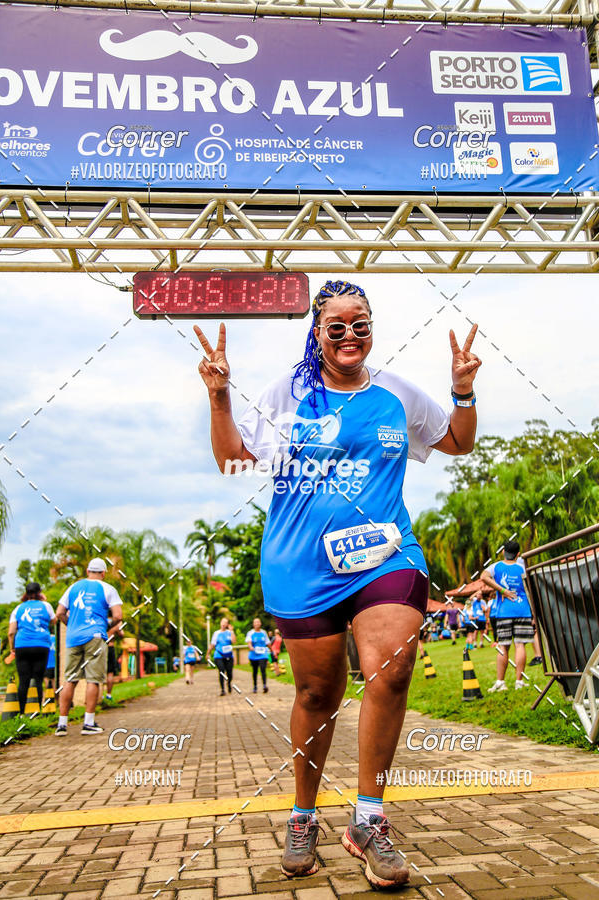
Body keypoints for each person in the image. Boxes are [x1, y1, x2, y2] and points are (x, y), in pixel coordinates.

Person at [195, 279, 480, 887]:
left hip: (385, 551)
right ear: (317, 333)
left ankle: (369, 819)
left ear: (372, 330)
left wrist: (463, 392)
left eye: (362, 323)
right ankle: (304, 814)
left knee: (391, 665)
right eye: (337, 325)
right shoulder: (290, 394)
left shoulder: (396, 393)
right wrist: (219, 397)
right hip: (301, 564)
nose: (350, 334)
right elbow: (231, 458)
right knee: (318, 694)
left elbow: (456, 441)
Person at [55, 558, 122, 735]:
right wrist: (105, 626)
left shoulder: (72, 588)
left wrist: (71, 625)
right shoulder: (108, 588)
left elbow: (59, 613)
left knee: (70, 678)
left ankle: (62, 725)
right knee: (93, 679)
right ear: (104, 573)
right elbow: (118, 616)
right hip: (95, 636)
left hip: (73, 638)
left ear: (87, 571)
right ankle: (88, 723)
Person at [481, 540, 534, 692]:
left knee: (503, 646)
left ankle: (500, 682)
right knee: (520, 645)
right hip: (523, 609)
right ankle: (519, 681)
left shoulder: (496, 566)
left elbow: (483, 577)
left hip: (504, 611)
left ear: (503, 551)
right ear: (518, 554)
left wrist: (502, 590)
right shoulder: (522, 567)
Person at [8, 583, 56, 715]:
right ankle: (36, 711)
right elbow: (54, 621)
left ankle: (21, 714)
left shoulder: (18, 608)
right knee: (38, 679)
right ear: (40, 592)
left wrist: (13, 648)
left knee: (23, 680)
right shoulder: (46, 606)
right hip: (41, 645)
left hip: (22, 646)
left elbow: (11, 632)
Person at [210, 617, 236, 694]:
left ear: (227, 624)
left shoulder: (229, 632)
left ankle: (228, 683)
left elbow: (234, 641)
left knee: (229, 673)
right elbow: (212, 644)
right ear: (220, 623)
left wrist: (232, 631)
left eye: (225, 622)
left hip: (229, 656)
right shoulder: (216, 633)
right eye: (222, 622)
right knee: (221, 671)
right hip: (219, 655)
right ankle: (222, 689)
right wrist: (208, 653)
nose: (223, 624)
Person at [246, 617, 271, 693]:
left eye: (258, 622)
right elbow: (249, 643)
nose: (257, 623)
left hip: (263, 654)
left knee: (263, 669)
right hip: (254, 655)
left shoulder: (263, 632)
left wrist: (272, 650)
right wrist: (251, 647)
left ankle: (264, 685)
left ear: (260, 623)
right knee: (255, 671)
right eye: (255, 622)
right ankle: (255, 686)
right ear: (253, 624)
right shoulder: (250, 633)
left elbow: (268, 643)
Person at [104, 614, 120, 701]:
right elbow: (122, 634)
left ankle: (100, 694)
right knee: (110, 673)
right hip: (110, 647)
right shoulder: (115, 623)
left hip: (101, 647)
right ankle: (108, 694)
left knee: (99, 672)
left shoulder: (101, 620)